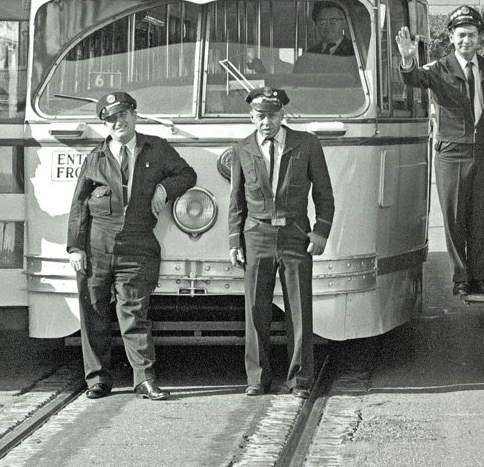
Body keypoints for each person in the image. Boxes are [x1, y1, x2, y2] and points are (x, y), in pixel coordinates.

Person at [67, 91, 196, 401]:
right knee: (94, 311)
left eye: (123, 114)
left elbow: (187, 174)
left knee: (134, 313)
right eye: (110, 118)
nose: (118, 122)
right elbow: (79, 205)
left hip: (138, 244)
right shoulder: (95, 158)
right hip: (97, 243)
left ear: (135, 115)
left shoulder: (157, 149)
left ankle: (144, 379)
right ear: (104, 125)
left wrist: (165, 189)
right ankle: (98, 379)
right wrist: (76, 247)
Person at [228, 87, 334, 398]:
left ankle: (300, 380)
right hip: (257, 235)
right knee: (256, 310)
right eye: (260, 116)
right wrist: (234, 239)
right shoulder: (241, 149)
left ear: (282, 115)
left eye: (272, 115)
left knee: (299, 310)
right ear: (251, 117)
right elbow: (236, 200)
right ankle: (257, 378)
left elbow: (324, 194)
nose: (266, 122)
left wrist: (321, 231)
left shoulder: (307, 144)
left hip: (295, 234)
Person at [396, 5, 484, 297]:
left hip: (481, 151)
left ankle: (479, 275)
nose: (466, 41)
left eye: (471, 35)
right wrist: (408, 59)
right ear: (450, 37)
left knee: (480, 217)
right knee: (455, 218)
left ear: (479, 38)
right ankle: (461, 277)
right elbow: (414, 79)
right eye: (460, 35)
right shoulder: (439, 68)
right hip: (452, 152)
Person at [293, 1, 355, 74]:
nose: (327, 26)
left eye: (333, 21)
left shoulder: (355, 53)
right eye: (322, 22)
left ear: (344, 22)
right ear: (316, 24)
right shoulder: (306, 58)